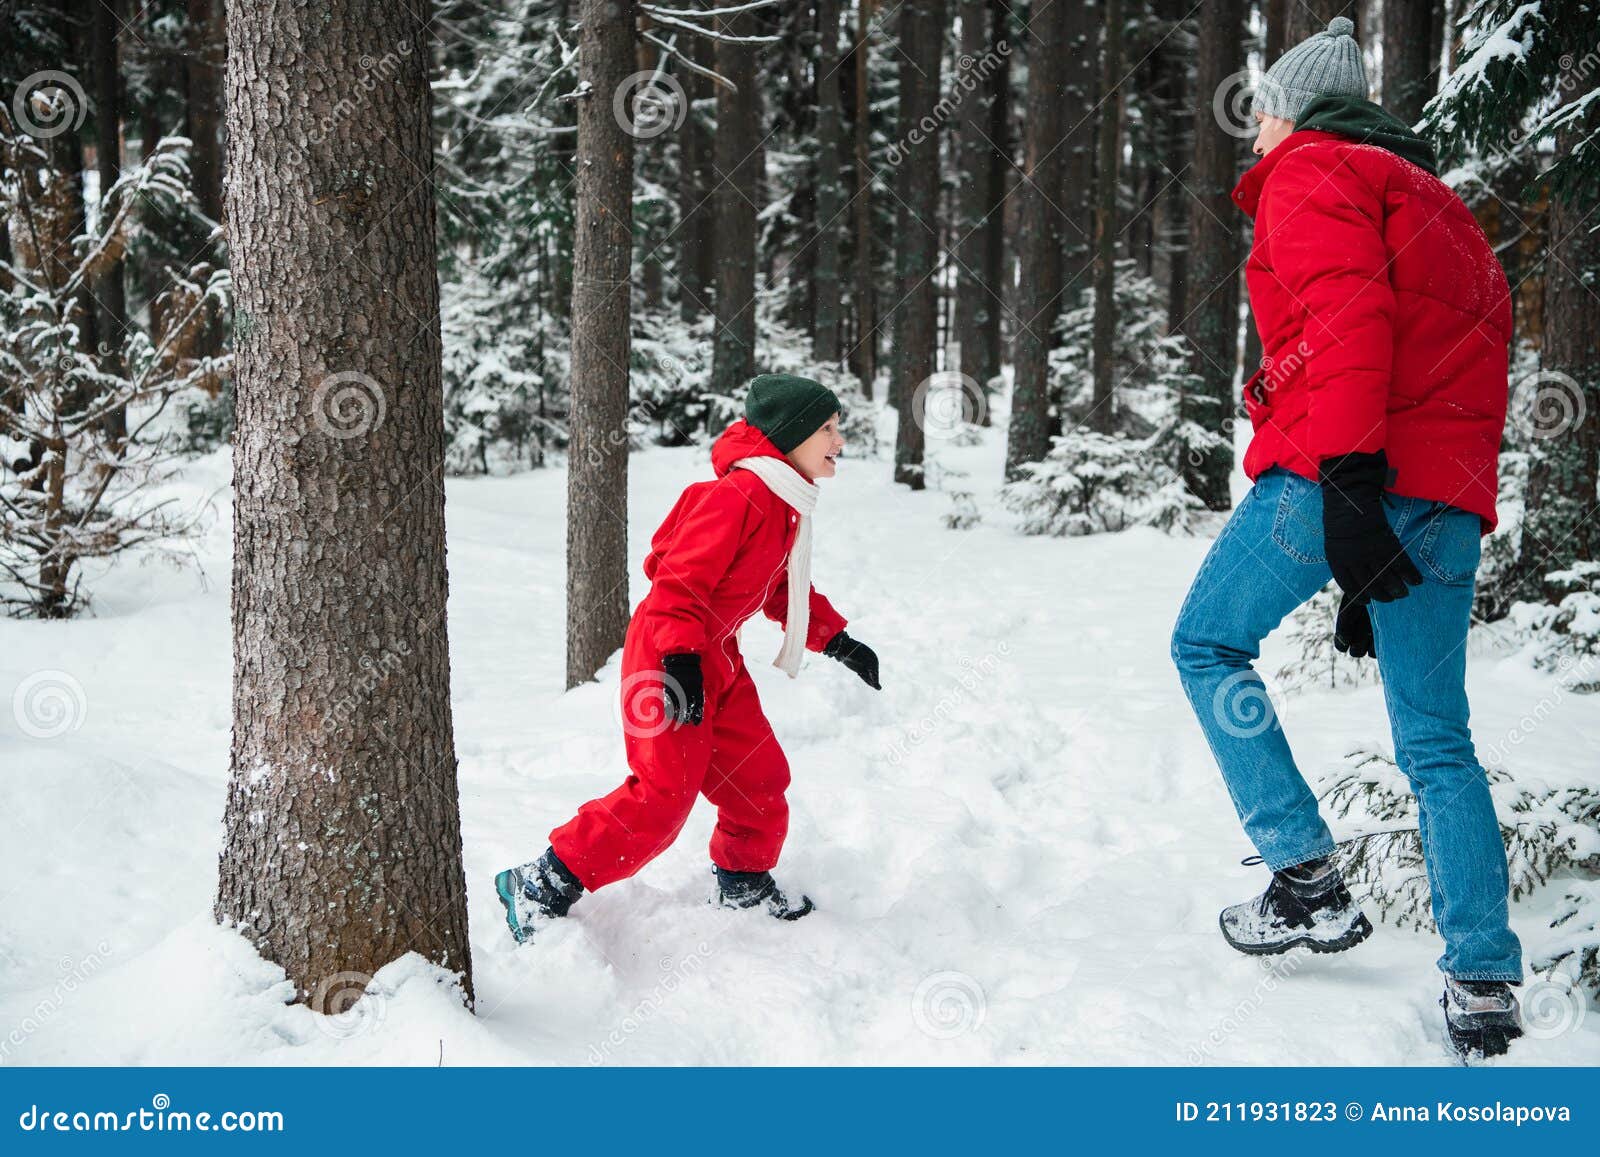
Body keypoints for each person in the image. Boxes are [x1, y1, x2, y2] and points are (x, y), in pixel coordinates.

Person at [1169, 17, 1523, 1058]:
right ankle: (1483, 976)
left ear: (1293, 111)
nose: (1257, 131)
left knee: (1205, 642)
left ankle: (1307, 876)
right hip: (1442, 498)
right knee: (1438, 743)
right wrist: (1393, 526)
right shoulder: (1441, 209)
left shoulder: (1311, 172)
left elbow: (1349, 322)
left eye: (1264, 109)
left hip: (1331, 466)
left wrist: (1352, 486)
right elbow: (1458, 363)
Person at [496, 374, 881, 942]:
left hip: (714, 654)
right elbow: (678, 581)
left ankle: (745, 883)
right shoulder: (740, 497)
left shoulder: (781, 501)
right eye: (827, 428)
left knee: (758, 777)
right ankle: (541, 882)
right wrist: (678, 660)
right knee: (662, 796)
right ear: (792, 435)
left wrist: (837, 640)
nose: (839, 440)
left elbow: (777, 588)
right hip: (667, 655)